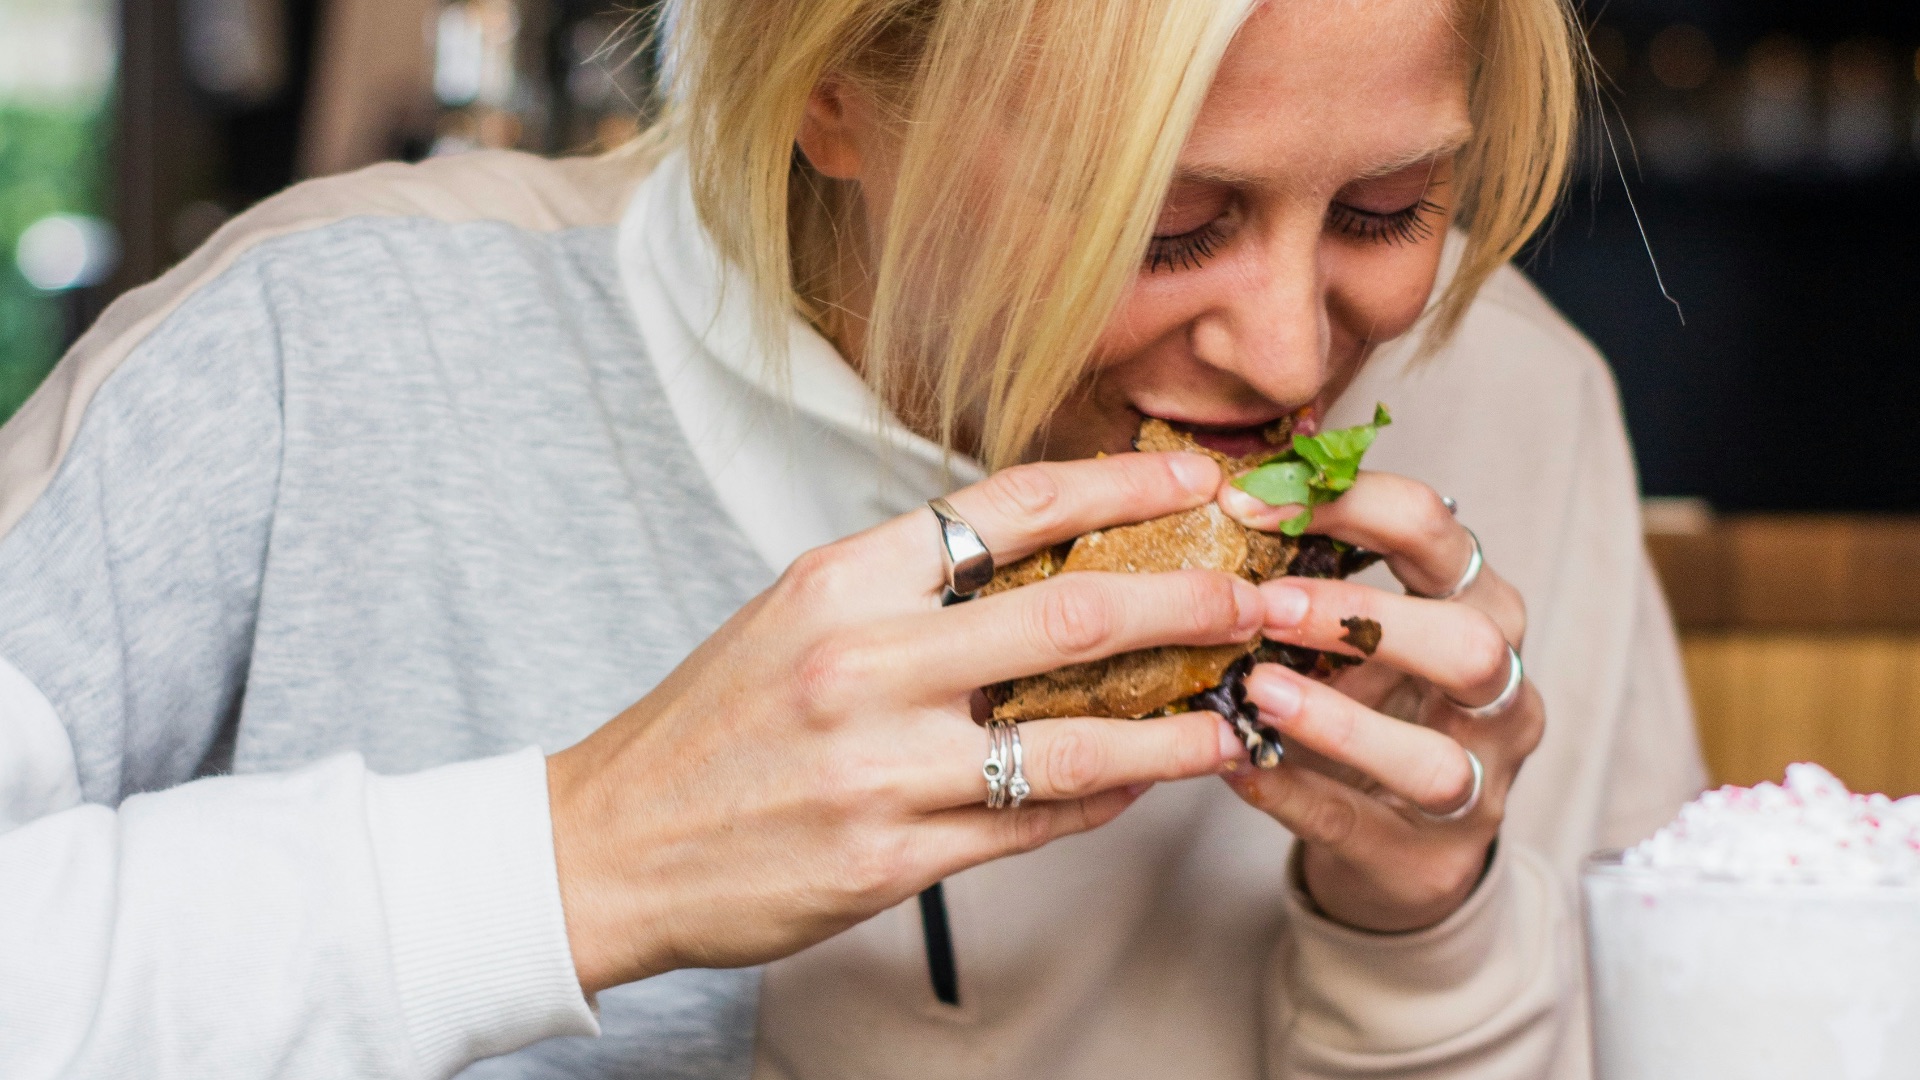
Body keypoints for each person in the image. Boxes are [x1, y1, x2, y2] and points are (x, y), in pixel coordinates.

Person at [0, 0, 1706, 1076]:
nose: (1288, 351)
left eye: (1389, 212)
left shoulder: (1521, 408)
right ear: (833, 92)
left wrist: (1423, 930)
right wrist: (584, 856)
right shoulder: (324, 346)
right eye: (1166, 224)